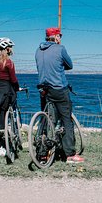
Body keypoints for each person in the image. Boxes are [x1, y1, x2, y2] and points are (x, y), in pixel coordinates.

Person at [35, 27, 83, 164]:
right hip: (58, 89)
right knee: (66, 119)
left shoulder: (38, 50)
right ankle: (70, 154)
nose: (60, 38)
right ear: (55, 37)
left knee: (47, 120)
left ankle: (42, 153)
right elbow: (70, 65)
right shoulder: (60, 48)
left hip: (44, 90)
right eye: (59, 36)